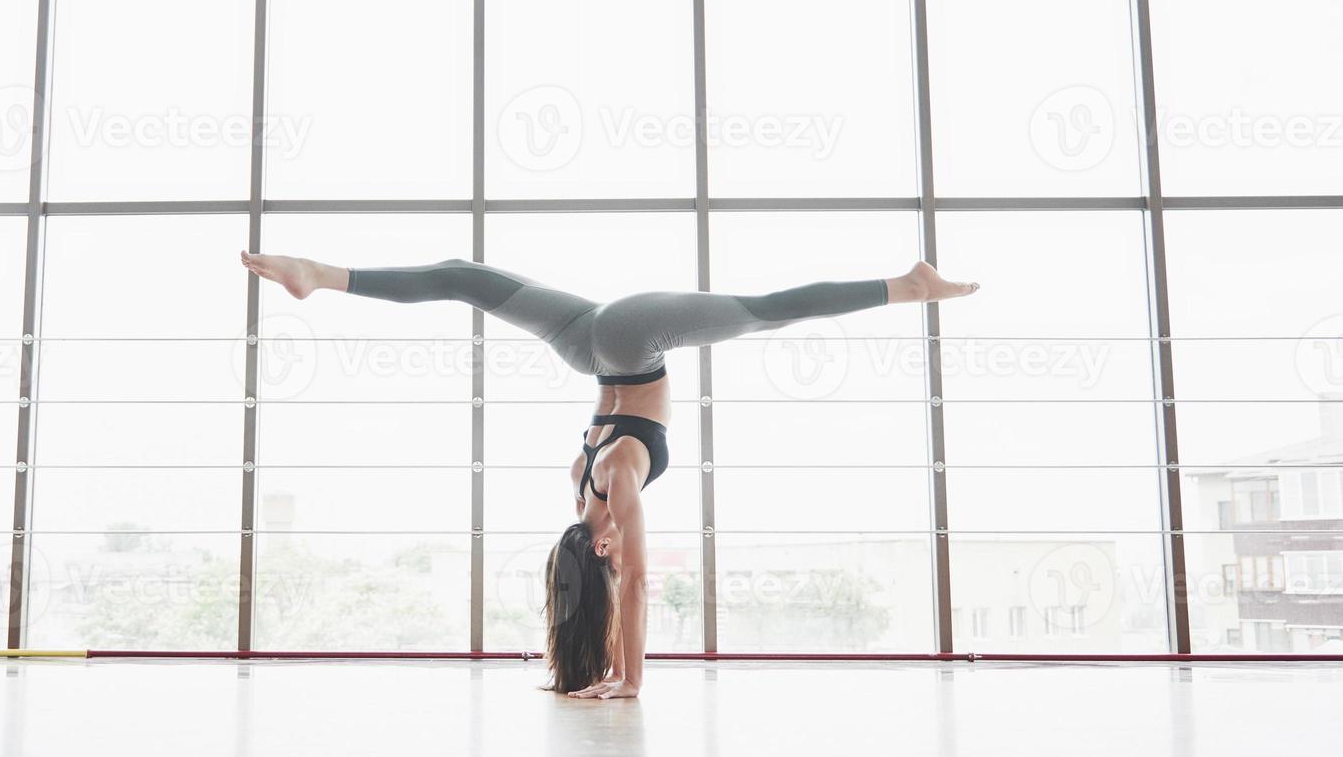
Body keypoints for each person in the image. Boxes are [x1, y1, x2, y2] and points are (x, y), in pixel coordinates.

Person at [240, 250, 979, 699]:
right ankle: (320, 275)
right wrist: (604, 654)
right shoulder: (580, 482)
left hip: (628, 337)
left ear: (596, 546)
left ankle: (908, 286)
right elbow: (604, 584)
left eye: (610, 553)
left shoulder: (618, 479)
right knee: (460, 276)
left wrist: (631, 679)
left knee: (765, 312)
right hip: (584, 346)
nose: (623, 554)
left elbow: (632, 589)